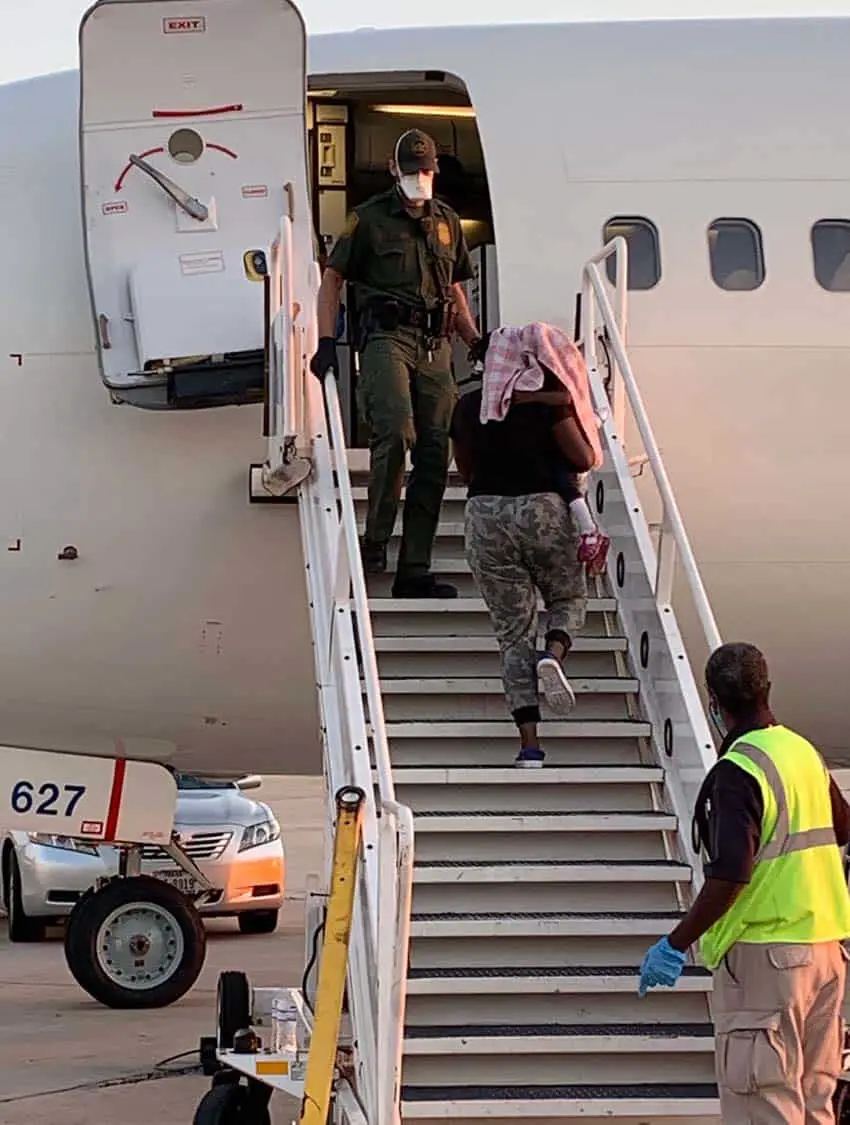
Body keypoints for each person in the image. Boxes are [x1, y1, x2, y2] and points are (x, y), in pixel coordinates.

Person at [638, 641, 850, 1125]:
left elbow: (732, 872)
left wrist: (675, 943)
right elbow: (843, 829)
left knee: (765, 1104)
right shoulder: (803, 754)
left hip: (767, 961)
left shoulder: (740, 770)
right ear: (767, 689)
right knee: (815, 1104)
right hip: (825, 954)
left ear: (713, 701)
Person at [310, 129, 482, 599]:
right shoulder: (366, 220)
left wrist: (474, 338)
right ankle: (376, 539)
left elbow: (456, 288)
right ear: (394, 170)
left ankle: (414, 570)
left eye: (425, 171)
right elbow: (332, 281)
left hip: (435, 344)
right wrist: (326, 340)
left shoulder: (447, 222)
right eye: (411, 171)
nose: (419, 179)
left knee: (433, 453)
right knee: (396, 431)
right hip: (386, 337)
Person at [449, 369, 594, 767]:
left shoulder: (467, 405)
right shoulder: (548, 401)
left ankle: (530, 746)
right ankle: (553, 653)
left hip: (485, 514)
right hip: (542, 508)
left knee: (513, 634)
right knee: (568, 596)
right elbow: (584, 458)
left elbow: (464, 470)